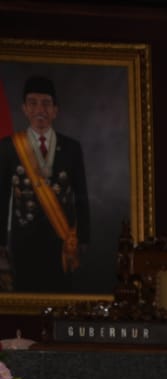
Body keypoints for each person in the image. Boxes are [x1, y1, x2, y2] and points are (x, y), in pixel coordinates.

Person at [0, 76, 91, 291]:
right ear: (24, 109)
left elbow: (81, 195)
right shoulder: (8, 147)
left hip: (61, 239)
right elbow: (2, 196)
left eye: (46, 103)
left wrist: (84, 237)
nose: (39, 109)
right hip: (24, 240)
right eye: (32, 103)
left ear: (55, 110)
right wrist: (0, 242)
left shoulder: (71, 147)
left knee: (60, 296)